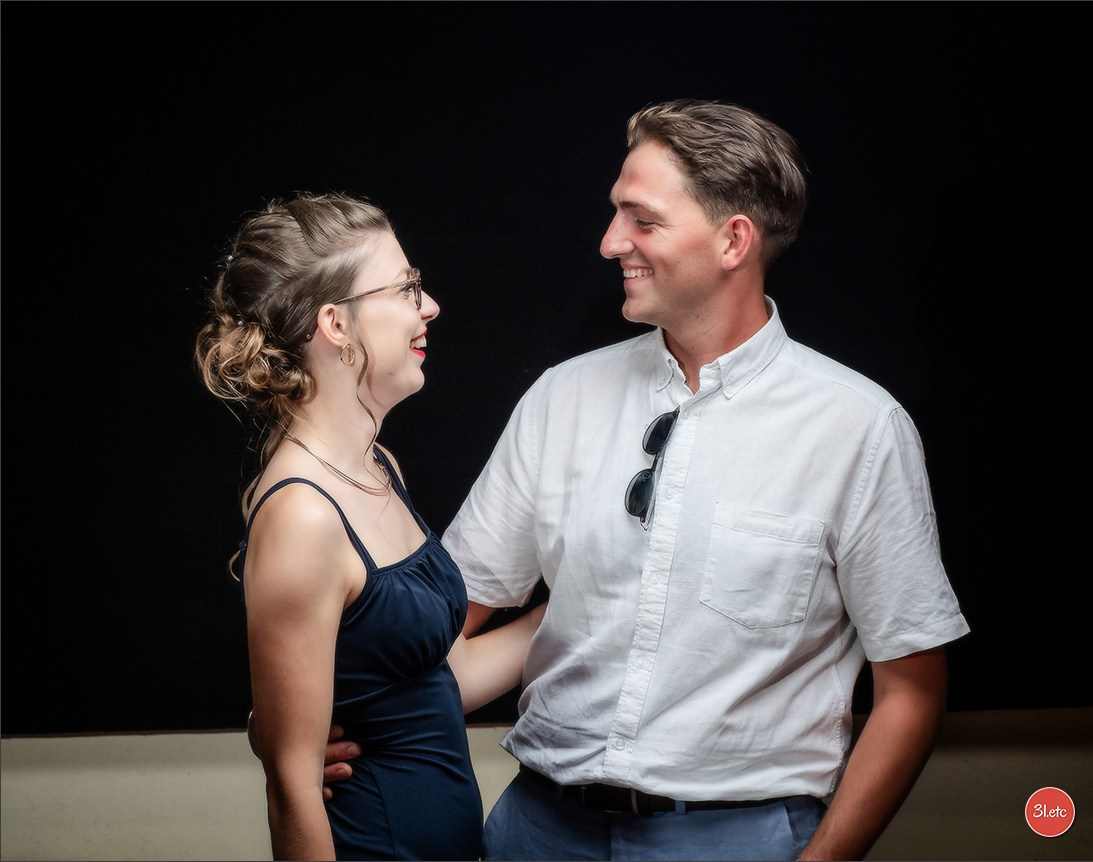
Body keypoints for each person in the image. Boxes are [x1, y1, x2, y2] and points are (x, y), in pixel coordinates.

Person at [326, 99, 971, 860]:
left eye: (643, 220)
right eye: (614, 215)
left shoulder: (858, 429)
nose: (609, 242)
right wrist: (320, 721)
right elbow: (441, 624)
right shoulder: (561, 397)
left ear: (734, 240)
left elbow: (913, 689)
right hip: (536, 828)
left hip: (742, 836)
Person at [194, 191, 544, 862]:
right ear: (336, 324)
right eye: (406, 288)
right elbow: (293, 788)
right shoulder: (303, 513)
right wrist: (274, 732)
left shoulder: (378, 466)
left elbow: (442, 680)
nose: (429, 306)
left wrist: (590, 595)